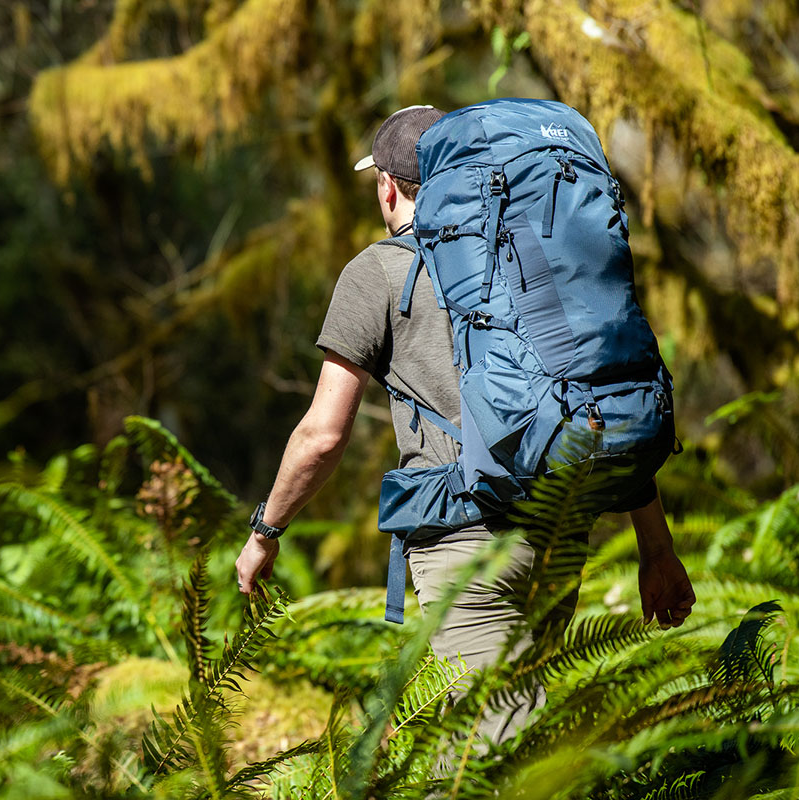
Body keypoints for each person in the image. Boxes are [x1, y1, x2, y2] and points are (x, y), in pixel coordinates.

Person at [234, 104, 696, 744]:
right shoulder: (532, 253)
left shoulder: (376, 273)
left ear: (387, 186)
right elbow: (589, 391)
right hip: (559, 529)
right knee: (485, 742)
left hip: (464, 544)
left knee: (501, 755)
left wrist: (265, 530)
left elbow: (323, 435)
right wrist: (657, 548)